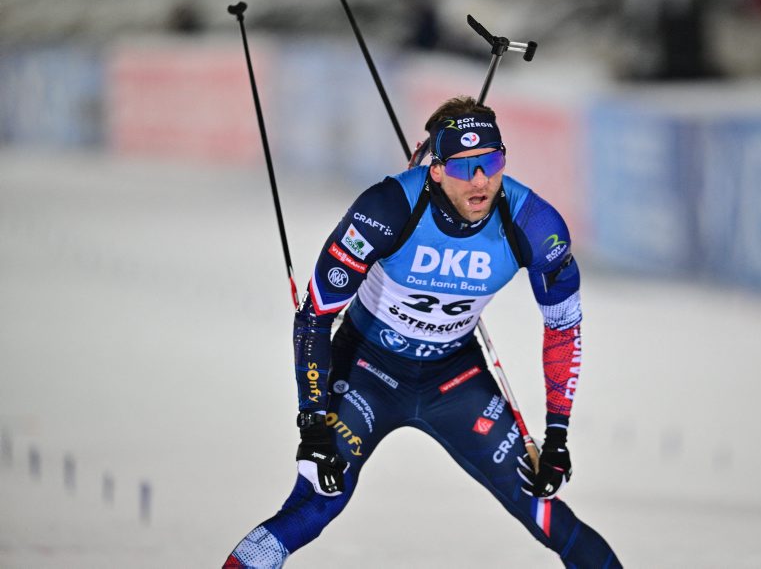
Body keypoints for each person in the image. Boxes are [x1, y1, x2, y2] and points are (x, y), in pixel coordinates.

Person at [224, 96, 622, 568]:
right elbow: (314, 315)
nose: (481, 181)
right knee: (317, 502)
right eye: (464, 167)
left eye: (493, 162)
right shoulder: (388, 208)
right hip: (368, 370)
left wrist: (556, 436)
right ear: (435, 169)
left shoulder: (533, 223)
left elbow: (563, 328)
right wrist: (312, 423)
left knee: (544, 510)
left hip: (454, 379)